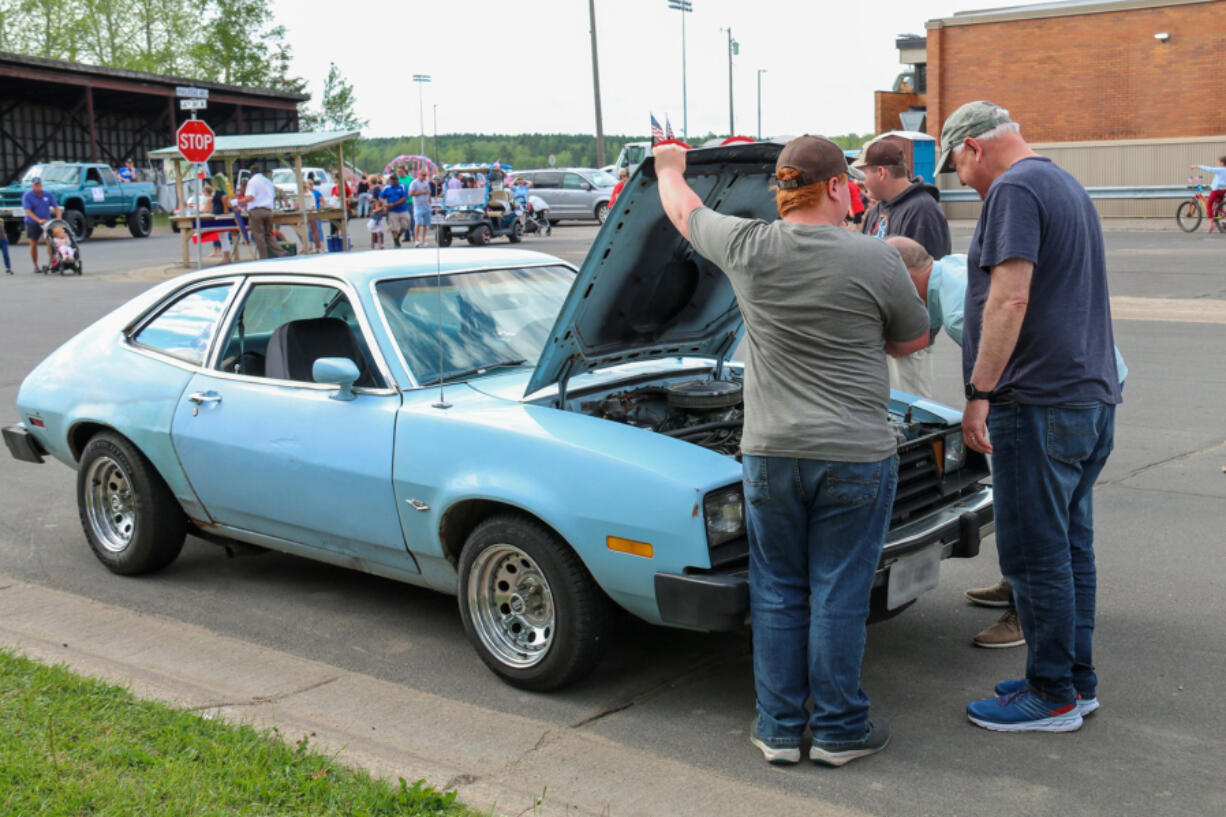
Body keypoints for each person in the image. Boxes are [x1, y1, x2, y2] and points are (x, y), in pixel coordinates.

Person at [655, 136, 929, 766]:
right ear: (836, 186)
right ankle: (838, 731)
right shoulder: (876, 259)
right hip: (856, 454)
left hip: (770, 454)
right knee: (839, 589)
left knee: (777, 588)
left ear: (782, 192)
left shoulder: (747, 244)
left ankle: (778, 730)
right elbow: (911, 342)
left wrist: (669, 164)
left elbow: (683, 210)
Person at [939, 100, 1121, 733]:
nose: (961, 181)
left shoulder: (1013, 190)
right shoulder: (1062, 181)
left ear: (974, 148)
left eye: (955, 166)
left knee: (1033, 553)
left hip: (1037, 401)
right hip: (1088, 398)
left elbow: (1010, 297)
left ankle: (1052, 696)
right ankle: (1074, 679)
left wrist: (979, 391)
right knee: (1071, 548)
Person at [887, 234, 1130, 652]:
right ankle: (1028, 592)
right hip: (1097, 384)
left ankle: (1026, 612)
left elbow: (1004, 366)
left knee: (1029, 518)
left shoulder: (965, 311)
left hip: (1052, 402)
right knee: (1069, 514)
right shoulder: (952, 269)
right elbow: (916, 338)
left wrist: (976, 406)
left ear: (904, 280)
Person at [858, 139, 951, 260]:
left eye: (863, 174)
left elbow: (928, 272)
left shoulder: (923, 211)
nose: (860, 181)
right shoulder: (876, 210)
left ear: (881, 172)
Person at [237, 162, 284, 259]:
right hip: (268, 211)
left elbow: (250, 197)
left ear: (251, 174)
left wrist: (239, 201)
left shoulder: (252, 181)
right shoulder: (268, 181)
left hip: (256, 211)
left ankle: (263, 258)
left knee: (259, 237)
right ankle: (282, 253)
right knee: (269, 235)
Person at [22, 176, 61, 273]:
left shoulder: (47, 194)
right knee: (33, 243)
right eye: (36, 185)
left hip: (47, 222)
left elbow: (56, 207)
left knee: (50, 242)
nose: (38, 187)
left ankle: (53, 261)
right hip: (32, 222)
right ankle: (35, 266)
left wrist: (58, 218)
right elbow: (28, 211)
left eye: (39, 184)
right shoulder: (28, 196)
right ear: (32, 186)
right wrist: (38, 220)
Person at [1189, 157, 1226, 222]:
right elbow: (1219, 179)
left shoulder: (1220, 169)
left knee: (1209, 204)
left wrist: (1197, 166)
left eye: (1218, 162)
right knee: (1219, 207)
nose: (1217, 163)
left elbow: (1209, 169)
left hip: (1216, 190)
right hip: (1223, 190)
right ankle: (1223, 222)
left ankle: (1211, 220)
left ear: (1222, 163)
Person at [380, 174, 411, 249]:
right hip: (392, 211)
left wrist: (394, 204)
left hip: (402, 209)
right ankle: (396, 242)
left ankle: (397, 237)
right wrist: (385, 204)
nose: (394, 181)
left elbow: (404, 197)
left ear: (397, 180)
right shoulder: (387, 188)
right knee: (394, 227)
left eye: (395, 180)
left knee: (405, 225)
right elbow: (381, 197)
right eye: (392, 180)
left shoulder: (402, 186)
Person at [409, 169, 432, 247]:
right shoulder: (414, 183)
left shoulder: (426, 183)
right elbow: (411, 193)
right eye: (423, 175)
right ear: (419, 175)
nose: (424, 177)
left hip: (426, 206)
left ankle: (423, 240)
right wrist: (421, 192)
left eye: (425, 175)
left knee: (425, 224)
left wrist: (430, 202)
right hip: (418, 206)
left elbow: (428, 193)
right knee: (417, 223)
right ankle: (416, 240)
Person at [304, 179, 325, 253]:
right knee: (310, 230)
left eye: (312, 184)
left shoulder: (316, 192)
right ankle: (310, 245)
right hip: (309, 213)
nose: (310, 185)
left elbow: (323, 202)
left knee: (318, 229)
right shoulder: (305, 192)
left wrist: (320, 209)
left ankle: (321, 245)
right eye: (309, 184)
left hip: (315, 212)